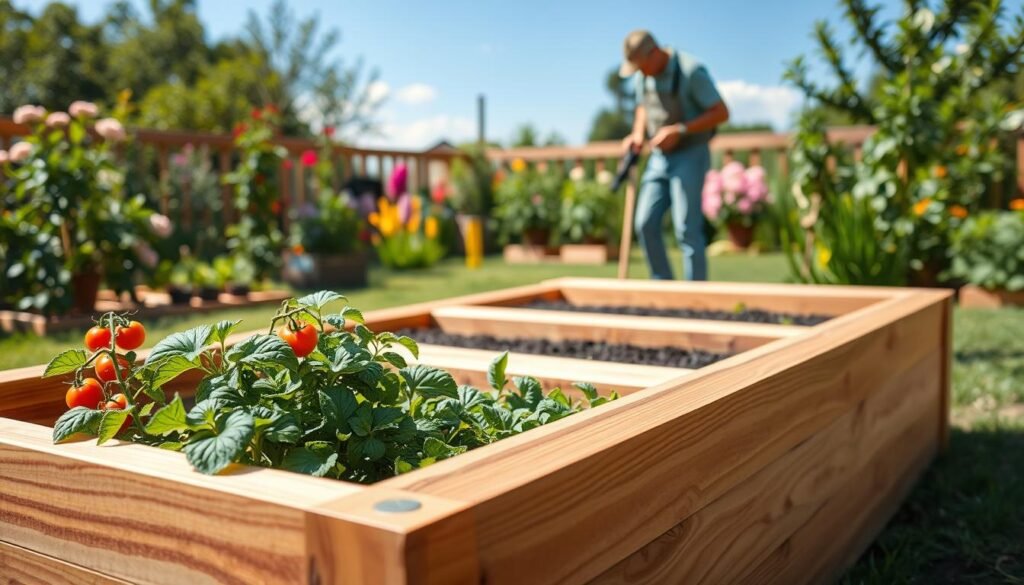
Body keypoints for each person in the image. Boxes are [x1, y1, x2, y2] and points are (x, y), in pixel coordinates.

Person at [620, 30, 729, 281]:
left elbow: (722, 112)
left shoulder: (691, 72)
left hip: (691, 152)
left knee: (686, 229)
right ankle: (664, 287)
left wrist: (681, 129)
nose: (640, 72)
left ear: (655, 53)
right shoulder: (643, 77)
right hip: (659, 158)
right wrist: (637, 134)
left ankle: (696, 297)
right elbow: (642, 108)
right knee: (645, 223)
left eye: (641, 66)